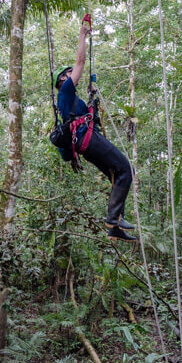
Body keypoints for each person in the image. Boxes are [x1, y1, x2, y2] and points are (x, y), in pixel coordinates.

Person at [55, 14, 137, 241]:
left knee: (116, 174)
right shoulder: (65, 91)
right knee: (125, 168)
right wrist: (82, 35)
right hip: (87, 139)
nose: (74, 72)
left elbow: (85, 115)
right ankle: (113, 219)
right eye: (69, 72)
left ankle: (115, 227)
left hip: (85, 141)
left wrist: (92, 100)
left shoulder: (69, 100)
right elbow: (80, 61)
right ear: (63, 79)